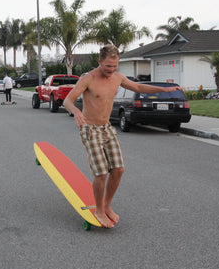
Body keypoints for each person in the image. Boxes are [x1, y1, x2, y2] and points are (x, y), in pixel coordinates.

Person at [63, 44, 182, 228]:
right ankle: (99, 210)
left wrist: (164, 90)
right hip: (90, 128)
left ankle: (107, 205)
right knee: (102, 172)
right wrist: (76, 112)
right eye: (108, 66)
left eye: (114, 66)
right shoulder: (88, 79)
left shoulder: (118, 77)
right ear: (99, 61)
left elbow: (139, 87)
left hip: (107, 128)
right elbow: (67, 100)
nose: (111, 70)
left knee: (118, 170)